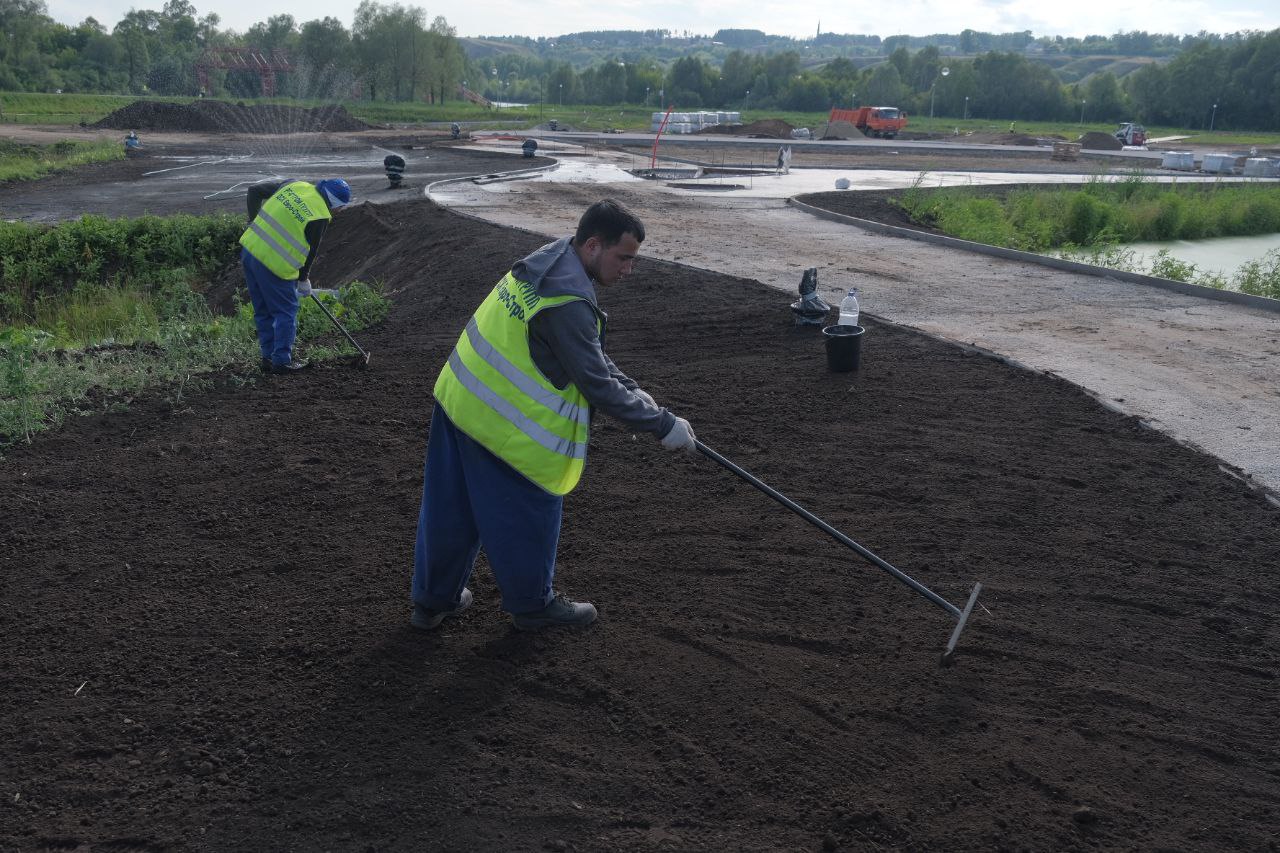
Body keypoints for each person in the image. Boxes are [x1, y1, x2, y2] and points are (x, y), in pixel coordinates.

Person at [411, 199, 697, 632]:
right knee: (529, 511)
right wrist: (662, 425)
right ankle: (532, 606)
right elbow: (595, 383)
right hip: (504, 426)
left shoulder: (548, 261)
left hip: (459, 399)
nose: (628, 270)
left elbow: (588, 355)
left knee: (452, 509)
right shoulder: (568, 301)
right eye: (624, 259)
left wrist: (636, 390)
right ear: (594, 245)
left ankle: (433, 601)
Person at [239, 178, 352, 374]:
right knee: (286, 312)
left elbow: (254, 189)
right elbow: (311, 251)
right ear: (334, 204)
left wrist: (252, 221)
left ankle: (267, 357)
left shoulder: (294, 184)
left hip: (250, 250)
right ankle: (281, 362)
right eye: (340, 208)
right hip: (274, 264)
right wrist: (303, 279)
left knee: (263, 310)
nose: (338, 212)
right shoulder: (320, 215)